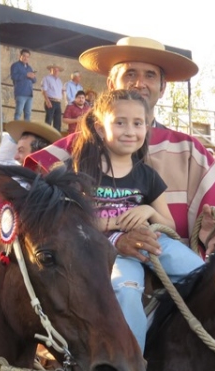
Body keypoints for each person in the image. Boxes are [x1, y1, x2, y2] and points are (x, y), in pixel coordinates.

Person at [26, 37, 215, 257]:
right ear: (110, 84)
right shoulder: (70, 149)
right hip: (93, 279)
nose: (139, 83)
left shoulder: (189, 150)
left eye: (150, 75)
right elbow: (45, 218)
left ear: (163, 87)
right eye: (130, 74)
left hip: (177, 281)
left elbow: (211, 216)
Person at [68, 89, 204, 351]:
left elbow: (170, 225)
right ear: (99, 128)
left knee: (202, 275)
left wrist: (148, 212)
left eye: (137, 123)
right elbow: (73, 221)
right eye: (120, 122)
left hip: (150, 241)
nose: (130, 131)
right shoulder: (82, 172)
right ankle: (133, 365)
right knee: (127, 290)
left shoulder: (148, 176)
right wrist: (115, 223)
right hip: (110, 249)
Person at [10, 48, 35, 121]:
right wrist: (26, 75)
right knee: (18, 112)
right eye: (24, 56)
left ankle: (26, 131)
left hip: (29, 94)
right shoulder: (15, 65)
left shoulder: (29, 67)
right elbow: (14, 77)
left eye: (27, 57)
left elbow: (34, 80)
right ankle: (15, 130)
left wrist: (33, 76)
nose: (26, 58)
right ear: (20, 56)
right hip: (20, 93)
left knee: (28, 113)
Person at [41, 64, 64, 131]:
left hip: (58, 102)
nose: (56, 71)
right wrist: (47, 101)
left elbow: (61, 91)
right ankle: (45, 136)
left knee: (57, 121)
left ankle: (56, 138)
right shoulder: (46, 78)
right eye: (54, 70)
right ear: (50, 70)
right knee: (48, 120)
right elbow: (43, 90)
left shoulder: (59, 81)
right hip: (50, 100)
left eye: (57, 70)